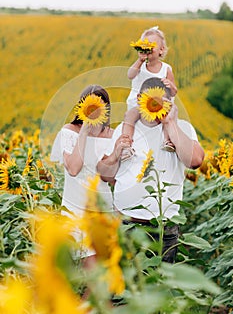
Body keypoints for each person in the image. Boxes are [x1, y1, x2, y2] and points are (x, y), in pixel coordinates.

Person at [97, 77, 204, 263]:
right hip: (126, 224)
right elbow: (105, 176)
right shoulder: (123, 130)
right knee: (126, 286)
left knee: (160, 285)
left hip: (163, 227)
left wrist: (171, 123)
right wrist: (115, 154)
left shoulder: (181, 128)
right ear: (139, 99)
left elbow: (195, 161)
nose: (155, 104)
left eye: (161, 100)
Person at [50, 84, 114, 273]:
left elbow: (111, 178)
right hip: (75, 210)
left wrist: (119, 154)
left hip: (103, 209)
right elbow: (74, 168)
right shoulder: (69, 132)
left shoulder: (112, 135)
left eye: (99, 106)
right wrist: (85, 130)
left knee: (99, 272)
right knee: (80, 271)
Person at [121, 26, 177, 161]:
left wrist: (170, 86)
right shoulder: (140, 66)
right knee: (129, 116)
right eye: (144, 45)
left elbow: (174, 91)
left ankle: (168, 140)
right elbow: (130, 75)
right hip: (140, 104)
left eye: (151, 45)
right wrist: (140, 60)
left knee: (170, 114)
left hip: (159, 104)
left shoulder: (166, 69)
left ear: (161, 50)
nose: (147, 48)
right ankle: (126, 144)